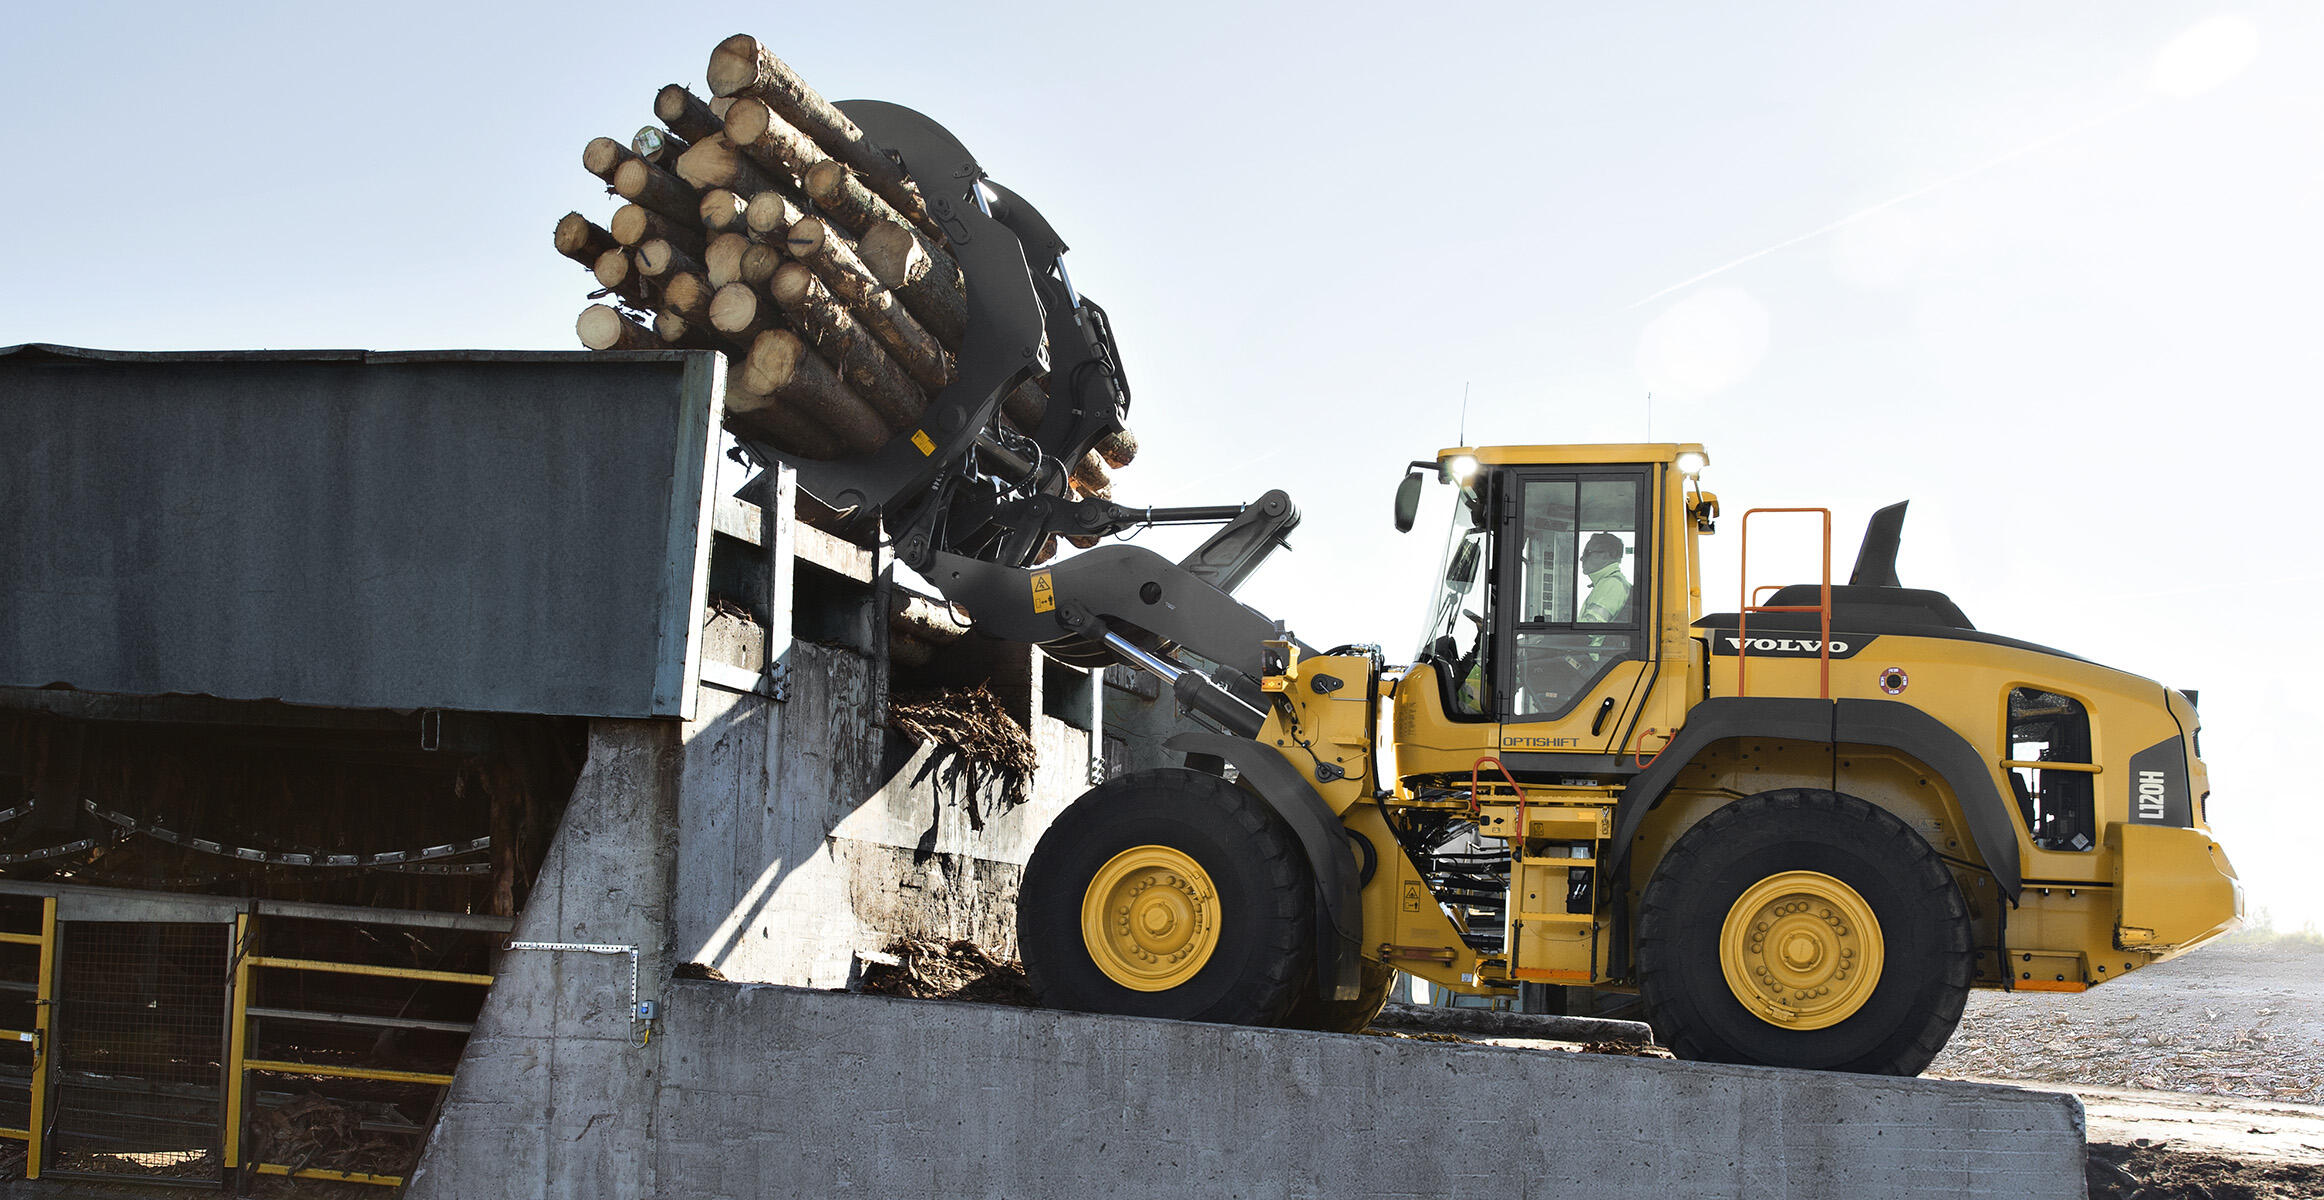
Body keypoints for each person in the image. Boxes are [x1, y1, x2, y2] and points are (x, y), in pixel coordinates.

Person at [1577, 533, 1630, 624]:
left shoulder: (1612, 584)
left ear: (1607, 555)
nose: (1581, 558)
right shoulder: (1610, 583)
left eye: (1587, 553)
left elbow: (1590, 627)